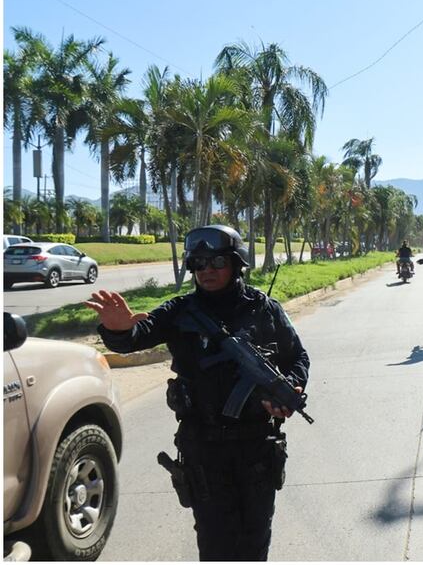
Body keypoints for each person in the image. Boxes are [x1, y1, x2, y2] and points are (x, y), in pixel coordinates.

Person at [84, 225, 310, 561]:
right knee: (215, 543)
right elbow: (138, 335)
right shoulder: (180, 311)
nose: (207, 271)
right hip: (203, 449)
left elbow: (298, 357)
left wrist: (291, 387)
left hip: (256, 448)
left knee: (255, 540)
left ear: (236, 264)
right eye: (199, 263)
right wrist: (118, 329)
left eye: (217, 261)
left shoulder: (264, 309)